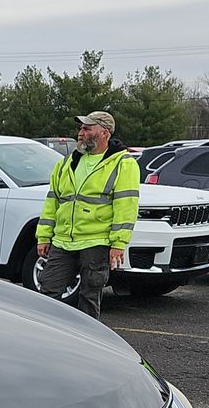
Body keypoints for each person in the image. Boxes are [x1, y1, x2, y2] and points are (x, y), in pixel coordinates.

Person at [35, 111, 139, 318]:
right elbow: (53, 201)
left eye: (86, 128)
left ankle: (87, 344)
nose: (80, 133)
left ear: (104, 133)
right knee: (47, 292)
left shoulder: (123, 164)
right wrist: (44, 236)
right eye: (80, 128)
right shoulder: (67, 162)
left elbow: (125, 206)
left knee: (90, 296)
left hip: (95, 242)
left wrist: (118, 244)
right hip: (63, 241)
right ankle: (44, 340)